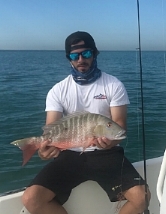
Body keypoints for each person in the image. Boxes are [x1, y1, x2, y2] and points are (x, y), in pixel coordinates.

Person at [22, 31, 150, 214]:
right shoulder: (57, 91)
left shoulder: (113, 85)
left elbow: (119, 126)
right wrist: (44, 149)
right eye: (75, 55)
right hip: (69, 154)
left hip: (106, 154)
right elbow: (51, 129)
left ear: (95, 53)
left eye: (86, 53)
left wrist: (111, 141)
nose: (81, 59)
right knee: (31, 198)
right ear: (69, 59)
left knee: (142, 197)